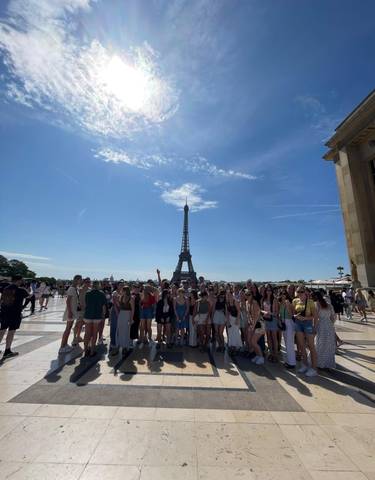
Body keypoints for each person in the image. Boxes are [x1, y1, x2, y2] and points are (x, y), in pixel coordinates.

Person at [0, 275, 29, 359]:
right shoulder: (21, 290)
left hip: (4, 312)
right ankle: (7, 351)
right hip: (15, 313)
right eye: (22, 280)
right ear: (19, 280)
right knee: (11, 332)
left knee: (2, 330)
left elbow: (2, 300)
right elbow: (30, 296)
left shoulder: (5, 288)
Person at [292, 286, 318, 377]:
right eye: (298, 292)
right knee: (302, 345)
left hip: (307, 323)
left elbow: (315, 316)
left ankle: (314, 368)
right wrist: (295, 316)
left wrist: (314, 326)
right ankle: (305, 364)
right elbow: (293, 313)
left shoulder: (310, 302)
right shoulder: (295, 301)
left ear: (305, 292)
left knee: (311, 346)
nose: (300, 293)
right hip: (298, 323)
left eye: (301, 292)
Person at [59, 275, 82, 354]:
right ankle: (62, 346)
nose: (81, 281)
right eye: (80, 280)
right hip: (71, 311)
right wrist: (70, 312)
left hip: (73, 311)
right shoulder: (72, 289)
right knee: (68, 329)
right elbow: (68, 301)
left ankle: (65, 344)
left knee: (69, 328)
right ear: (76, 280)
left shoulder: (75, 288)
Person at [83, 281, 107, 357]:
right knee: (94, 333)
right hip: (97, 316)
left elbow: (85, 304)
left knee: (87, 333)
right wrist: (103, 315)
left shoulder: (88, 293)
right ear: (98, 286)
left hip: (88, 315)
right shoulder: (101, 294)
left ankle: (86, 350)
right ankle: (92, 351)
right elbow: (104, 306)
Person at [314, 291, 336, 369]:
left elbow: (316, 318)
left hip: (321, 325)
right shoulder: (330, 305)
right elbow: (333, 317)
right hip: (329, 325)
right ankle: (328, 363)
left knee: (320, 344)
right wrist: (330, 324)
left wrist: (314, 328)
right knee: (328, 345)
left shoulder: (317, 304)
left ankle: (319, 363)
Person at [261, 285, 279, 362]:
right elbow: (261, 309)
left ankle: (276, 354)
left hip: (273, 320)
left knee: (274, 337)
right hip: (266, 320)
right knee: (268, 337)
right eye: (267, 290)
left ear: (272, 291)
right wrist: (264, 312)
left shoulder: (274, 300)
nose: (268, 292)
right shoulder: (263, 299)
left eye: (270, 290)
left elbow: (277, 312)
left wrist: (270, 313)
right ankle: (271, 353)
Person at [278, 290, 295, 369]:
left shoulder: (289, 303)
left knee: (290, 343)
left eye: (284, 294)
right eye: (281, 294)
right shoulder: (280, 303)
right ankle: (288, 361)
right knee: (286, 343)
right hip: (283, 322)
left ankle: (291, 363)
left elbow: (292, 314)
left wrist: (287, 305)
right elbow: (280, 314)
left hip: (289, 323)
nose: (283, 295)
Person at [72, 277, 91, 346]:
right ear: (84, 282)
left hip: (87, 309)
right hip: (81, 309)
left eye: (89, 282)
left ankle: (78, 337)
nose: (88, 283)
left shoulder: (90, 290)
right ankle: (74, 338)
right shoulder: (80, 290)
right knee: (78, 324)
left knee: (83, 324)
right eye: (87, 282)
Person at [116, 285, 134, 355]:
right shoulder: (121, 297)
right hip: (121, 314)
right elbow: (119, 306)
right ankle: (121, 345)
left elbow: (133, 309)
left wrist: (131, 319)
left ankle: (125, 347)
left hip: (127, 315)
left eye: (122, 290)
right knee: (120, 330)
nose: (121, 291)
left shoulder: (131, 298)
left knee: (126, 331)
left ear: (125, 291)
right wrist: (117, 300)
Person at [248, 292, 265, 365]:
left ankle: (261, 357)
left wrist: (253, 326)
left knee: (253, 342)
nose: (247, 296)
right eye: (246, 295)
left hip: (259, 325)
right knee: (252, 342)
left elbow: (257, 315)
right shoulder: (250, 303)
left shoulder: (254, 303)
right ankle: (258, 356)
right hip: (256, 324)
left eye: (249, 294)